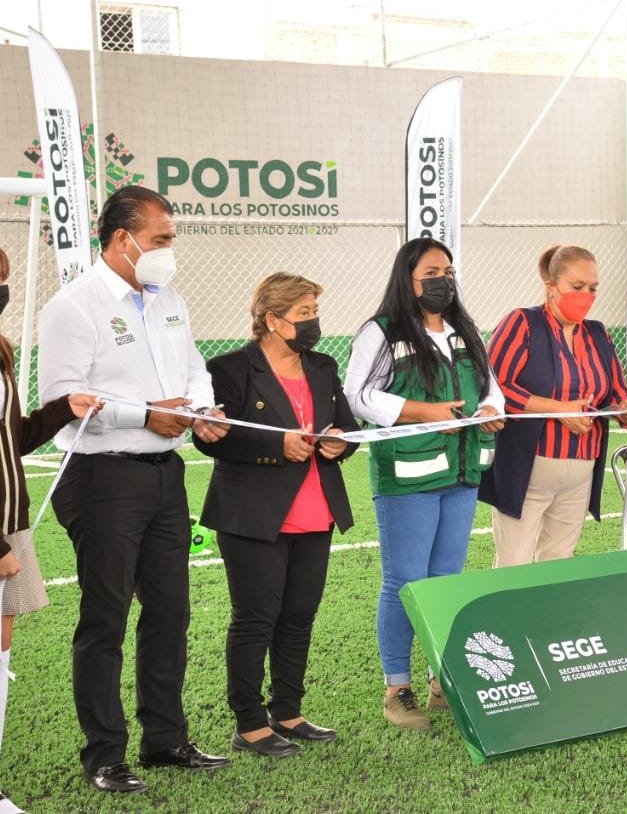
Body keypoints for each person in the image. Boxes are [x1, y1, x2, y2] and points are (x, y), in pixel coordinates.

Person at [38, 185, 231, 793]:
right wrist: (144, 414)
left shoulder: (168, 297)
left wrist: (201, 407)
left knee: (171, 611)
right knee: (106, 618)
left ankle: (165, 740)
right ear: (123, 239)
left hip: (164, 475)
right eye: (161, 239)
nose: (170, 250)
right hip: (102, 477)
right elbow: (60, 404)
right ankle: (104, 755)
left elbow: (193, 364)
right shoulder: (73, 306)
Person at [194, 273, 359, 758]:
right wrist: (276, 445)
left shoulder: (325, 366)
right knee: (255, 619)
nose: (314, 322)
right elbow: (214, 438)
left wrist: (338, 443)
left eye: (314, 312)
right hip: (254, 515)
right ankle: (249, 724)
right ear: (272, 319)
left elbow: (347, 426)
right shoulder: (228, 368)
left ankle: (287, 711)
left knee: (299, 617)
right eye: (305, 313)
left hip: (316, 510)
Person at [343, 238, 505, 732]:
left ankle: (441, 681)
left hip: (462, 471)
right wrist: (422, 413)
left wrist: (493, 408)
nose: (443, 280)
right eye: (432, 272)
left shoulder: (464, 330)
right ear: (407, 278)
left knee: (446, 579)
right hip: (409, 476)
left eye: (449, 271)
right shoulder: (382, 332)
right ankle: (397, 688)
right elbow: (357, 395)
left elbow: (489, 382)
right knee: (404, 581)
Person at [0, 248, 102, 813]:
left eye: (4, 281)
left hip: (9, 525)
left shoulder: (1, 351)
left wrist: (64, 407)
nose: (4, 291)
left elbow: (10, 437)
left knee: (1, 655)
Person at [481, 245, 627, 566]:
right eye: (577, 287)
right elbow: (493, 387)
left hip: (581, 468)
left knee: (559, 560)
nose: (587, 295)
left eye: (593, 288)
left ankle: (545, 617)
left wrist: (624, 408)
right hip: (528, 466)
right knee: (514, 562)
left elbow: (615, 392)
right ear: (551, 287)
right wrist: (557, 408)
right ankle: (505, 617)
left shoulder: (598, 334)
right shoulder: (522, 323)